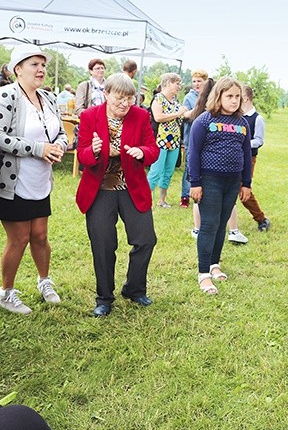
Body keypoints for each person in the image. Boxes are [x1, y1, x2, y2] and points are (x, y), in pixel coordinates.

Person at [75, 73, 160, 317]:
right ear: (106, 94)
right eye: (119, 98)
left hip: (131, 188)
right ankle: (104, 298)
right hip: (100, 190)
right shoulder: (90, 116)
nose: (124, 104)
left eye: (129, 99)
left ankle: (134, 289)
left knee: (146, 239)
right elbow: (82, 154)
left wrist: (141, 152)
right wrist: (94, 150)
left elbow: (153, 150)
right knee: (102, 245)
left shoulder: (141, 116)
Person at [0, 44, 68, 315]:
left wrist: (61, 145)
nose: (41, 70)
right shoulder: (6, 96)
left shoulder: (48, 98)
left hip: (41, 180)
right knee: (20, 238)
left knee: (40, 236)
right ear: (18, 69)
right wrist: (38, 149)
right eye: (34, 64)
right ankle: (6, 292)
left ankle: (44, 281)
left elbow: (61, 132)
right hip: (13, 181)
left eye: (43, 65)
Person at [188, 77, 252, 295]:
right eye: (229, 96)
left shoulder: (243, 123)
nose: (234, 101)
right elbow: (193, 153)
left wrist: (246, 183)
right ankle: (203, 273)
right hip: (209, 181)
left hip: (233, 182)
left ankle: (214, 264)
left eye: (237, 97)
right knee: (209, 224)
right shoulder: (204, 121)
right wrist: (195, 182)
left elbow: (246, 153)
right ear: (218, 96)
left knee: (222, 223)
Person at [227, 85, 271, 244]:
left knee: (244, 191)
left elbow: (259, 140)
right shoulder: (235, 116)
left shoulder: (257, 118)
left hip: (248, 158)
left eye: (237, 96)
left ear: (244, 98)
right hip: (232, 158)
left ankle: (261, 219)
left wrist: (242, 143)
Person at [147, 72, 188, 208]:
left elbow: (184, 115)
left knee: (168, 172)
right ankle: (144, 198)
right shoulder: (158, 99)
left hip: (174, 141)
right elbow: (158, 117)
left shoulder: (176, 101)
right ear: (169, 83)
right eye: (177, 83)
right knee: (156, 170)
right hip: (160, 140)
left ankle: (162, 200)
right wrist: (177, 113)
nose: (179, 86)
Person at [185, 78, 215, 240]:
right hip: (206, 159)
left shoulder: (198, 111)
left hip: (195, 155)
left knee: (198, 198)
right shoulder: (210, 115)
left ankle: (197, 228)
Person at [180, 69, 208, 208]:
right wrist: (198, 111)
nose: (196, 84)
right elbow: (184, 115)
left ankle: (201, 193)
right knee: (189, 166)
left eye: (199, 81)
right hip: (191, 136)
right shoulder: (188, 97)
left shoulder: (210, 97)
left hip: (206, 137)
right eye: (194, 81)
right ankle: (185, 196)